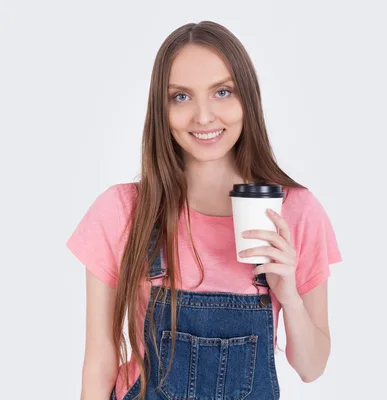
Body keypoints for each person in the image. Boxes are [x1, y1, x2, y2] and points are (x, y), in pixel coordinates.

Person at [66, 21, 342, 400]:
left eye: (222, 92)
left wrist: (289, 294)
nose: (204, 116)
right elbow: (100, 359)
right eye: (180, 97)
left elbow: (312, 368)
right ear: (160, 109)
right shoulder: (123, 210)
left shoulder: (295, 211)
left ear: (247, 97)